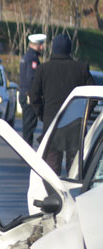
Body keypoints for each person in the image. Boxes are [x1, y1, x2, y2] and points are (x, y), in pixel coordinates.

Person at [29, 33, 94, 174]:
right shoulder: (81, 68)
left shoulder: (43, 69)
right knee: (75, 171)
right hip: (76, 125)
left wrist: (42, 114)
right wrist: (85, 114)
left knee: (51, 171)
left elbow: (33, 96)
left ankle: (52, 189)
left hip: (52, 125)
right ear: (69, 49)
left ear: (53, 49)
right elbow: (93, 95)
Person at [19, 33, 46, 147]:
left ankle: (25, 148)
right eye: (41, 45)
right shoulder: (33, 59)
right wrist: (36, 95)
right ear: (37, 45)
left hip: (24, 94)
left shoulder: (27, 56)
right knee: (29, 126)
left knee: (27, 126)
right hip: (29, 96)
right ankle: (26, 150)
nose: (43, 47)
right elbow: (32, 79)